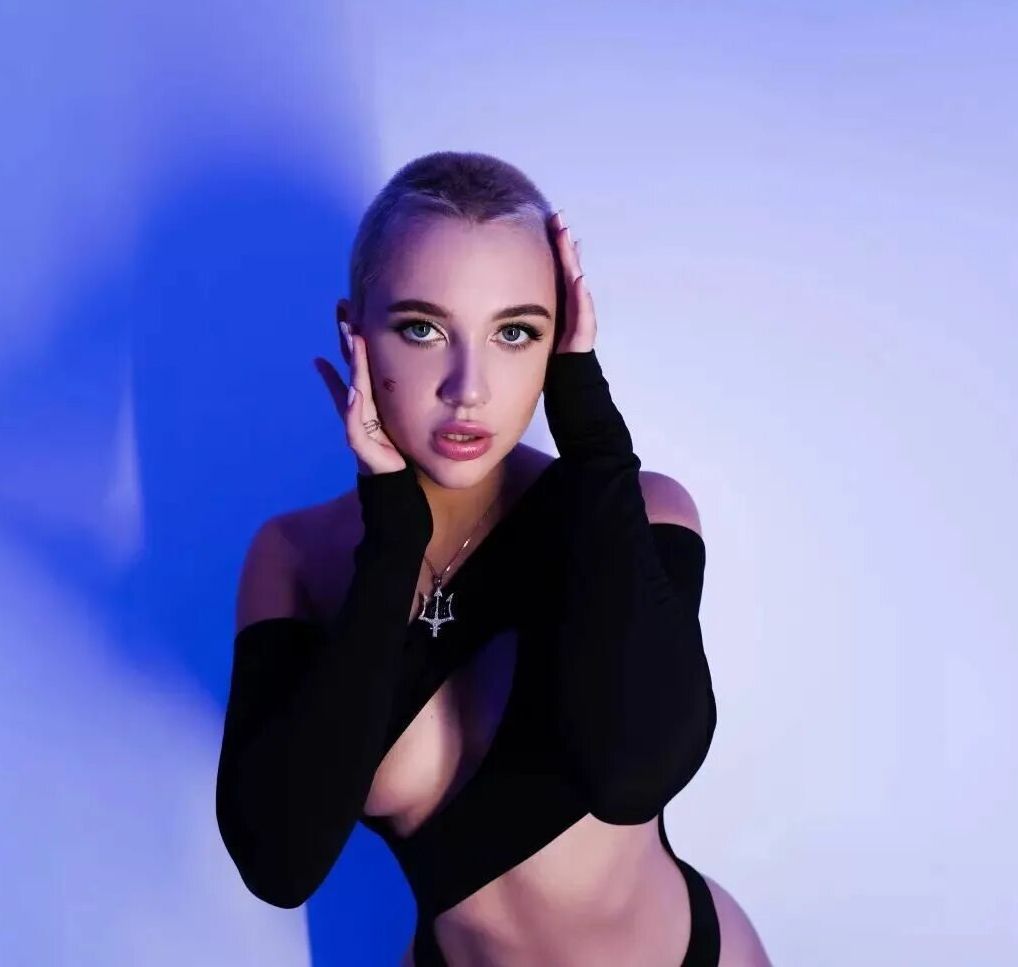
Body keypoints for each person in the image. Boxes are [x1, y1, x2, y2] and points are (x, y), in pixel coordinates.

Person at [215, 152, 772, 965]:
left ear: (560, 340)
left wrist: (591, 432)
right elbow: (279, 860)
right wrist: (392, 540)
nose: (468, 387)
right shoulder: (294, 559)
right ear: (354, 332)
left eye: (515, 332)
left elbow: (633, 772)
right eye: (423, 329)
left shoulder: (641, 511)